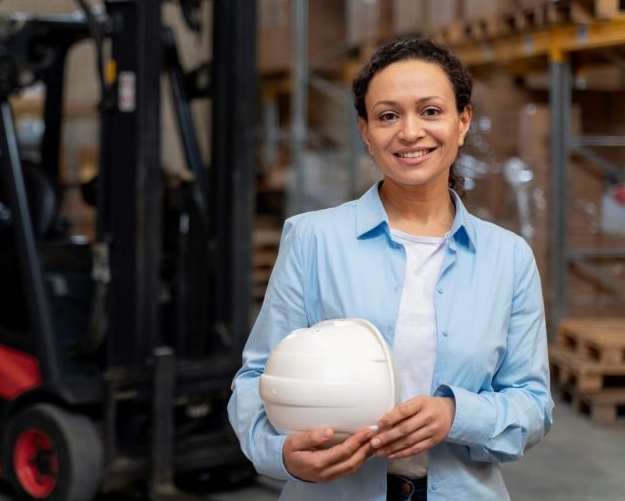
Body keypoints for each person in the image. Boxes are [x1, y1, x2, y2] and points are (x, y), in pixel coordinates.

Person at [228, 37, 554, 501]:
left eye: (431, 111)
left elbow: (533, 405)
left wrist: (454, 414)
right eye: (387, 115)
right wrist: (280, 454)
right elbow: (258, 378)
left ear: (463, 122)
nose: (410, 132)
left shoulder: (509, 257)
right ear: (365, 131)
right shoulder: (313, 239)